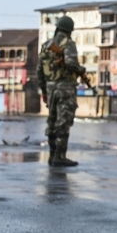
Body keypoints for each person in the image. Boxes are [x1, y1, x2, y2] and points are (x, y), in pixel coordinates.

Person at [37, 16, 86, 167]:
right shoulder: (68, 43)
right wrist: (80, 70)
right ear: (70, 31)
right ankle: (60, 156)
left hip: (51, 88)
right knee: (63, 122)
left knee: (52, 121)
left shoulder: (46, 46)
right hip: (65, 87)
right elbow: (71, 63)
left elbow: (39, 70)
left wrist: (44, 90)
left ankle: (52, 156)